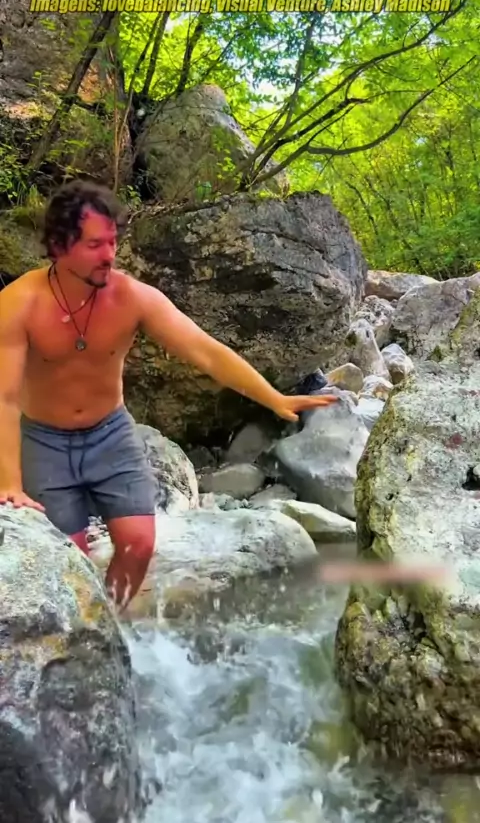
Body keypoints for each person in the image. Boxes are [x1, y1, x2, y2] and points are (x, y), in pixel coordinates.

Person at [0, 180, 445, 610]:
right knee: (68, 555)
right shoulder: (20, 303)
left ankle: (113, 618)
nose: (109, 255)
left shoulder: (133, 298)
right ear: (59, 246)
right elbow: (5, 397)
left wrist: (273, 398)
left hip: (110, 434)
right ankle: (86, 623)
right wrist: (9, 482)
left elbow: (207, 352)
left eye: (113, 242)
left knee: (139, 543)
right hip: (45, 441)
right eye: (95, 245)